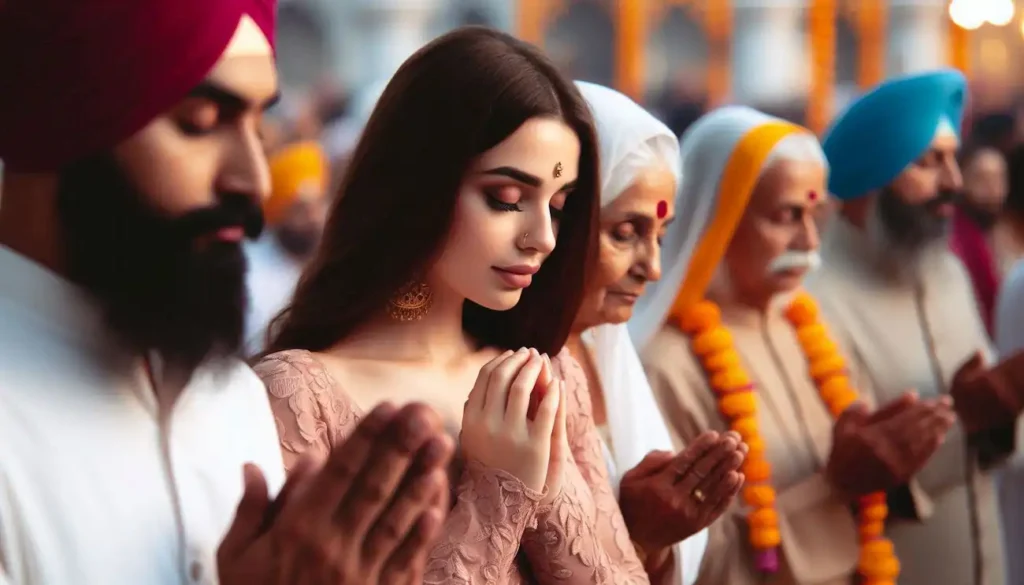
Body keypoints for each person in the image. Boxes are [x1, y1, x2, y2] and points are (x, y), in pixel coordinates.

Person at [0, 2, 452, 583]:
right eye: (202, 121)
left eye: (259, 128)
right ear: (62, 126)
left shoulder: (230, 398)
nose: (255, 179)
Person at [254, 26, 651, 584]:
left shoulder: (546, 375)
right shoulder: (297, 396)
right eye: (506, 200)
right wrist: (500, 490)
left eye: (558, 206)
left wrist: (545, 476)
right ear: (419, 185)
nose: (544, 237)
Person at [636, 106, 954, 585]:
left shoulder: (809, 329)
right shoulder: (666, 364)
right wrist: (836, 487)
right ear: (720, 218)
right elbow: (691, 562)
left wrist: (887, 459)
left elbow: (864, 493)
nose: (808, 239)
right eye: (786, 215)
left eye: (814, 214)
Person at [808, 68, 1024, 585]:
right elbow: (837, 473)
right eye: (929, 163)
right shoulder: (814, 301)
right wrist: (970, 419)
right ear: (869, 177)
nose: (954, 181)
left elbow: (987, 414)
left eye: (953, 159)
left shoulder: (946, 272)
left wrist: (997, 405)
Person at [566, 81, 745, 585]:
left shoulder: (605, 348)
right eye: (625, 233)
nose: (653, 267)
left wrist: (656, 540)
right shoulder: (495, 375)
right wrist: (638, 536)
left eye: (660, 237)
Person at [246, 140, 329, 353]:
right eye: (300, 209)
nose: (313, 218)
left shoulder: (326, 263)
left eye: (317, 204)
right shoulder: (251, 274)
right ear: (277, 216)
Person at [951, 144, 1010, 334]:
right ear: (962, 180)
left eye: (999, 178)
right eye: (982, 178)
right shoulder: (956, 240)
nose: (993, 188)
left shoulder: (1007, 230)